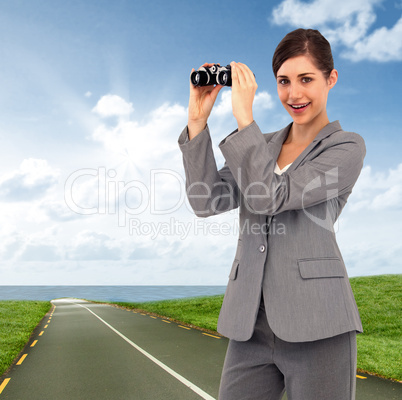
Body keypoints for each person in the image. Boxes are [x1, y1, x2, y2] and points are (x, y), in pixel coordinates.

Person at [178, 28, 365, 400]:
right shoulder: (261, 146)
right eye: (284, 81)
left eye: (306, 79)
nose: (294, 94)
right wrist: (198, 123)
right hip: (250, 322)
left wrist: (245, 118)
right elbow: (206, 201)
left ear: (331, 79)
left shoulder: (345, 148)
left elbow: (271, 196)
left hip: (318, 323)